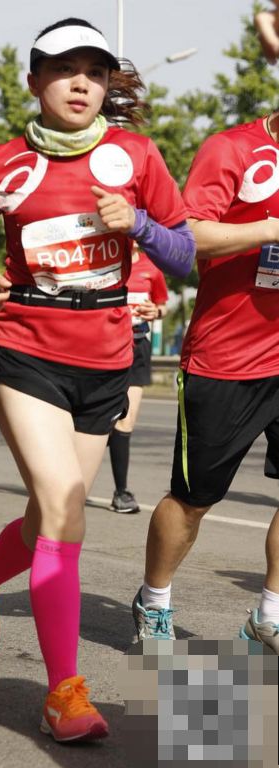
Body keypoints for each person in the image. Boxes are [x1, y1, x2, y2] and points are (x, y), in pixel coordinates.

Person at [0, 17, 195, 743]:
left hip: (107, 352)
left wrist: (139, 224)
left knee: (49, 515)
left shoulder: (135, 155)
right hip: (25, 345)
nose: (80, 82)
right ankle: (63, 691)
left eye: (94, 70)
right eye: (63, 68)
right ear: (34, 82)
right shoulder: (1, 163)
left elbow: (184, 258)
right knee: (63, 506)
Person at [132, 109, 279, 654]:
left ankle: (270, 615)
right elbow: (188, 235)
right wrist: (271, 228)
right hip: (228, 357)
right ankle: (155, 600)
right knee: (194, 500)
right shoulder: (233, 149)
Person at [109, 243, 168, 513]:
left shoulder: (151, 268)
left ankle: (121, 493)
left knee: (126, 421)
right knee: (93, 420)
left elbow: (162, 306)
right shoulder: (104, 263)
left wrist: (155, 312)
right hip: (104, 348)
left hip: (138, 347)